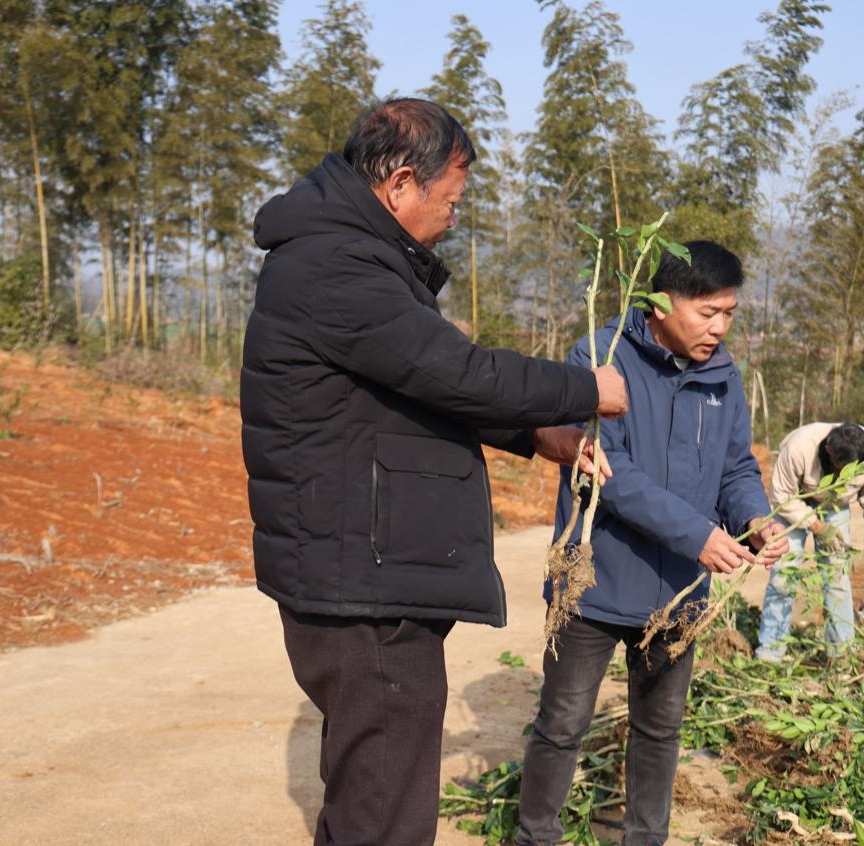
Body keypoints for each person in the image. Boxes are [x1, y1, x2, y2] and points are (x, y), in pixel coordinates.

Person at [240, 97, 629, 846]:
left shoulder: (342, 255)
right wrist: (584, 389)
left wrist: (534, 434)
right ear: (399, 186)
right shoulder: (336, 265)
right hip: (363, 580)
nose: (454, 216)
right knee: (384, 811)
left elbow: (411, 386)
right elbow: (454, 371)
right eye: (450, 200)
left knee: (370, 795)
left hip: (363, 569)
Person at [516, 241, 788, 846]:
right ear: (661, 303)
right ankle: (535, 837)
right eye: (707, 313)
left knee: (660, 730)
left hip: (678, 593)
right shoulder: (601, 357)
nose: (719, 328)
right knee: (562, 725)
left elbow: (736, 468)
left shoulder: (723, 376)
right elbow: (609, 474)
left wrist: (755, 520)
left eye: (729, 314)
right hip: (595, 582)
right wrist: (699, 535)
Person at [755, 421, 864, 662]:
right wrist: (818, 527)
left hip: (835, 505)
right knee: (783, 576)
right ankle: (771, 652)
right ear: (828, 450)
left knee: (837, 576)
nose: (847, 475)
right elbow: (781, 496)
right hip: (795, 501)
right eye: (841, 468)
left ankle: (840, 652)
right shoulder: (798, 448)